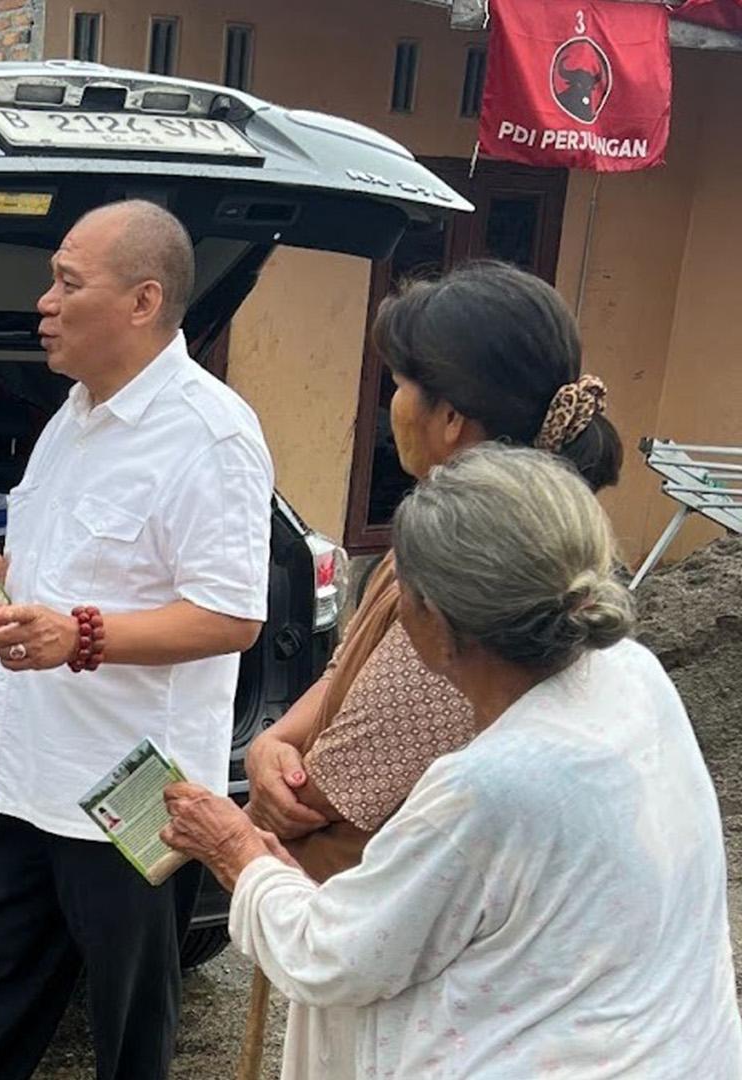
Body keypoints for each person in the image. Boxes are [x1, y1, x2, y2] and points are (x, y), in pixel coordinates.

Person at [163, 445, 742, 1077]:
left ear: (435, 623)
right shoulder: (632, 672)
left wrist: (237, 853)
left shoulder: (489, 786)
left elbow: (332, 955)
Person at [237, 261, 625, 1075]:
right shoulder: (448, 543)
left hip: (395, 959)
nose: (392, 404)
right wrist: (278, 737)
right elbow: (352, 662)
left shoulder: (476, 589)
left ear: (449, 416)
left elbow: (332, 794)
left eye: (402, 382)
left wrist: (245, 833)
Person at [0, 200, 275, 1080]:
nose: (43, 302)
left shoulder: (211, 434)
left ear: (142, 301)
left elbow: (233, 615)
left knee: (130, 1027)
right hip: (24, 774)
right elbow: (75, 565)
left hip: (131, 790)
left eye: (68, 283)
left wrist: (80, 633)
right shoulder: (70, 418)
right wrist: (4, 591)